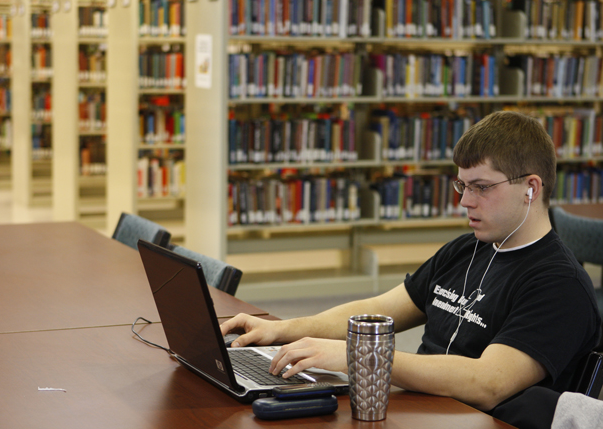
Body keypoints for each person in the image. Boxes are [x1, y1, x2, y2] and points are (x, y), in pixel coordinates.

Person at [220, 111, 601, 417]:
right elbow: (380, 310)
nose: (465, 202)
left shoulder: (559, 285)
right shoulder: (466, 249)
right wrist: (283, 329)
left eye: (481, 187)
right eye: (462, 185)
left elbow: (489, 383)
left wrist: (362, 359)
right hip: (421, 407)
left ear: (531, 188)